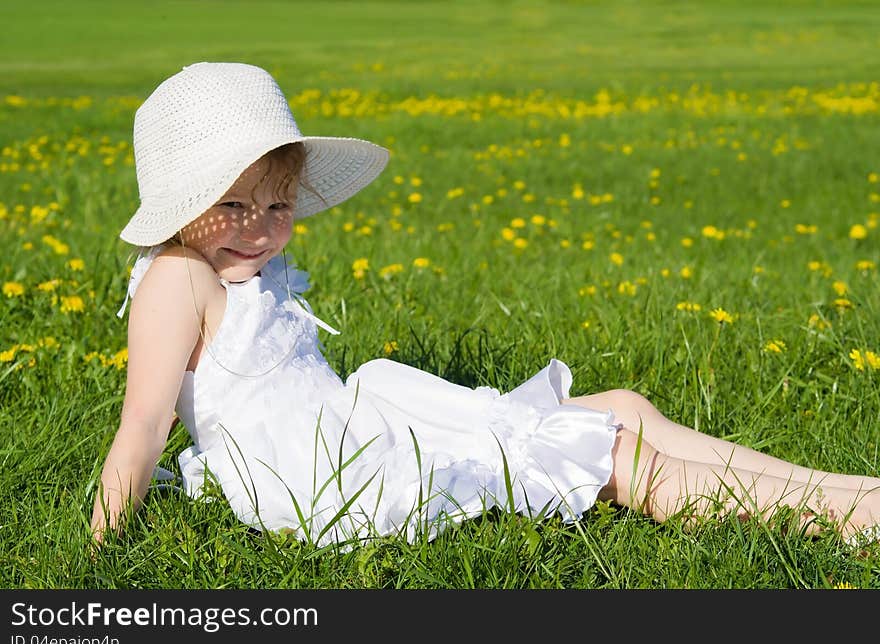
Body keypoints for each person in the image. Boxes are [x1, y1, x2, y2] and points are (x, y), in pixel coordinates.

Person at [90, 62, 880, 550]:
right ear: (182, 201)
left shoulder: (226, 265)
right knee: (611, 458)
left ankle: (846, 491)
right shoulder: (176, 279)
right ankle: (838, 523)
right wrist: (93, 558)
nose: (260, 231)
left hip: (347, 429)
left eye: (277, 207)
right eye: (234, 205)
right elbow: (143, 425)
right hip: (331, 478)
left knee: (623, 406)